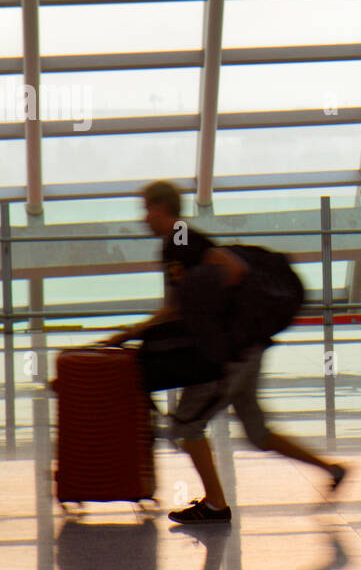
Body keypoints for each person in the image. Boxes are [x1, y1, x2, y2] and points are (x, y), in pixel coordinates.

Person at [100, 180, 347, 523]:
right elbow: (193, 293)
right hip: (246, 349)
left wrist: (132, 333)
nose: (143, 217)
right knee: (258, 433)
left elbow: (210, 284)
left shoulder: (180, 240)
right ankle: (332, 470)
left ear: (159, 208)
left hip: (231, 356)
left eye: (146, 208)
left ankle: (216, 505)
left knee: (186, 427)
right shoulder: (182, 239)